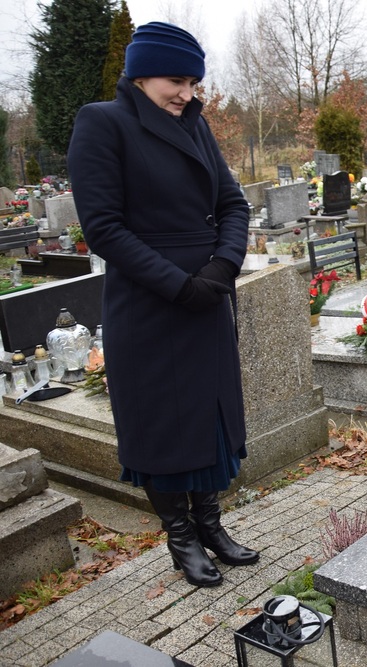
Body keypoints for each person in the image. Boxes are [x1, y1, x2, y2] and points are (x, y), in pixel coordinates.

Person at [67, 22, 256, 587]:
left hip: (208, 295)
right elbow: (104, 229)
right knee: (162, 423)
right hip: (150, 302)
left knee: (210, 418)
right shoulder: (102, 123)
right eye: (177, 80)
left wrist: (221, 268)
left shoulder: (195, 126)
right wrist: (179, 285)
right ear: (141, 73)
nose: (187, 94)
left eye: (194, 82)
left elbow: (234, 205)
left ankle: (212, 524)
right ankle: (180, 538)